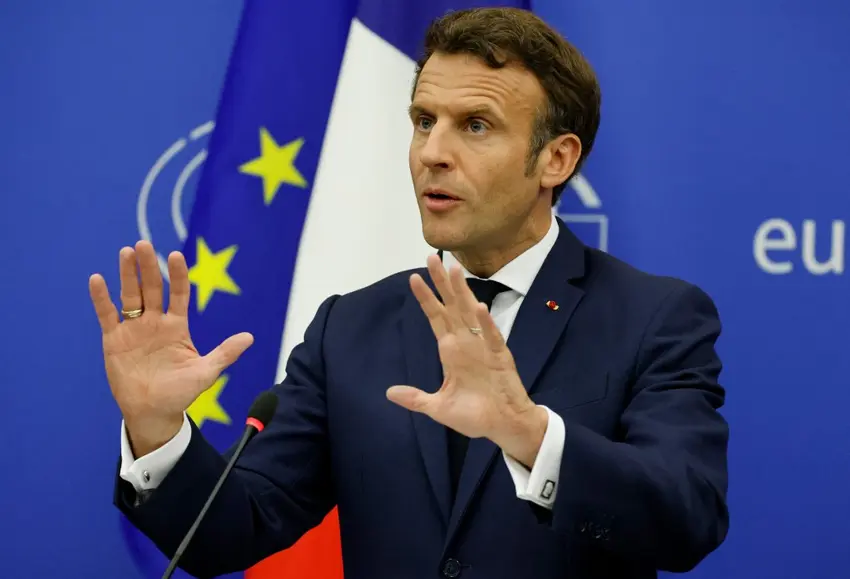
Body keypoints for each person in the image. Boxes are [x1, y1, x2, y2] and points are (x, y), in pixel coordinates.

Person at [89, 7, 729, 579]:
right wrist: (156, 431)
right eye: (424, 121)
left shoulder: (653, 318)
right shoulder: (350, 327)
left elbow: (687, 519)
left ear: (555, 159)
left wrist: (531, 436)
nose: (432, 153)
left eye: (475, 125)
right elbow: (228, 533)